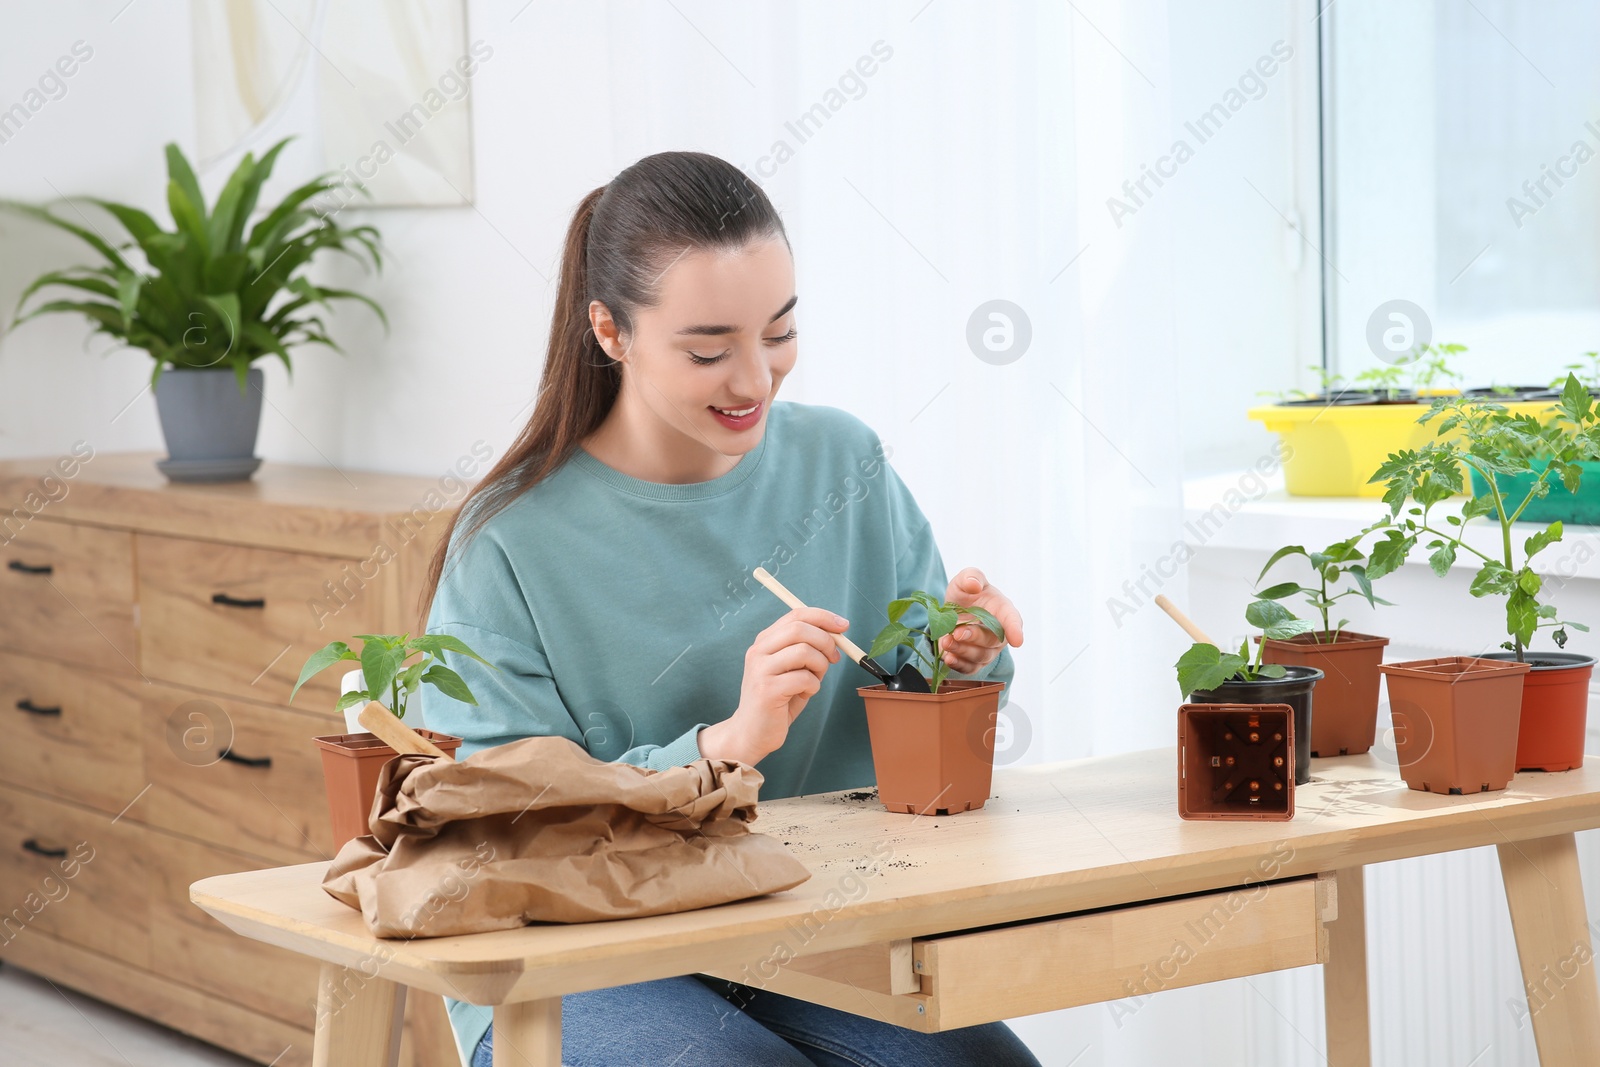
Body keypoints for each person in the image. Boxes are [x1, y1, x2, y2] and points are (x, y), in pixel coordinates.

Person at [418, 150, 1034, 1067]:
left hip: (809, 916)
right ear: (611, 331)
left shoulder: (844, 464)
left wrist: (965, 656)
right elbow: (502, 828)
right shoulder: (510, 539)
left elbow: (912, 687)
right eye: (709, 350)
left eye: (778, 333)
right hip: (580, 948)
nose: (754, 380)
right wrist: (718, 749)